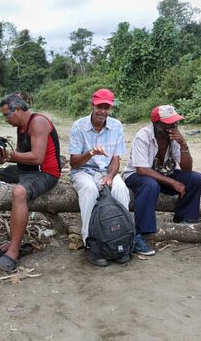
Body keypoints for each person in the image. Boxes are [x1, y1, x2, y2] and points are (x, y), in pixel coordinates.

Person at [0, 94, 61, 272]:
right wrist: (3, 159)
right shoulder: (21, 126)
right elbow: (22, 156)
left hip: (46, 173)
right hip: (27, 170)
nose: (5, 119)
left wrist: (9, 155)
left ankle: (13, 252)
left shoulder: (38, 123)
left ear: (18, 110)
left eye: (7, 115)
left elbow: (37, 157)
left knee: (19, 193)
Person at [122, 105, 201, 256]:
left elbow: (187, 169)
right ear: (156, 124)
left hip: (163, 174)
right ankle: (140, 233)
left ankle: (183, 220)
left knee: (195, 178)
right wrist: (173, 182)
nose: (174, 126)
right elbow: (142, 169)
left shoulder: (174, 139)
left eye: (176, 122)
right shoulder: (143, 136)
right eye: (169, 123)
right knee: (150, 185)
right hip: (137, 176)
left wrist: (184, 145)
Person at [69, 88, 131, 267]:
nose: (103, 111)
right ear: (92, 105)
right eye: (99, 106)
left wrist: (110, 176)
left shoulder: (116, 126)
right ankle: (91, 242)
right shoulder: (78, 126)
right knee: (89, 190)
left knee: (120, 189)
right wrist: (90, 153)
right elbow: (74, 163)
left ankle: (122, 239)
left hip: (106, 171)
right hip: (83, 171)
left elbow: (116, 159)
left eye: (106, 107)